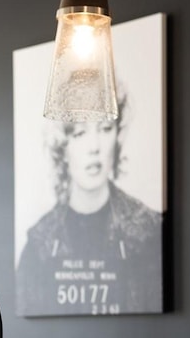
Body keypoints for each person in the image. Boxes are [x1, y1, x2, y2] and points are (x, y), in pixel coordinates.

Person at [16, 96, 163, 316]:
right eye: (79, 133)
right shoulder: (39, 244)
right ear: (62, 147)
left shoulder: (149, 232)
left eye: (105, 128)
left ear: (117, 136)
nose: (94, 147)